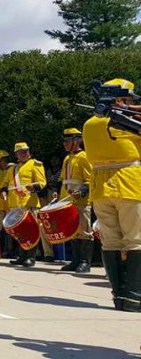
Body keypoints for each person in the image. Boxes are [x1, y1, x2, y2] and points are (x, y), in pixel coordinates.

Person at [82, 78, 141, 312]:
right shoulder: (126, 123)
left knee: (111, 242)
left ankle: (119, 296)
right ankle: (135, 297)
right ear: (119, 99)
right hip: (129, 184)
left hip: (100, 188)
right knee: (136, 240)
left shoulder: (89, 124)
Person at [52, 128, 94, 273]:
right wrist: (57, 193)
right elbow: (63, 179)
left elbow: (90, 179)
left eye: (67, 141)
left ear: (77, 141)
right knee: (72, 231)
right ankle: (75, 260)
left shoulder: (84, 156)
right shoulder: (67, 158)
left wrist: (83, 191)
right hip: (67, 201)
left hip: (81, 201)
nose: (65, 144)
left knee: (84, 231)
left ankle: (85, 262)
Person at [1, 142, 47, 268]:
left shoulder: (35, 164)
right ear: (16, 154)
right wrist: (4, 191)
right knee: (20, 232)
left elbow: (42, 182)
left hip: (29, 203)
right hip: (15, 204)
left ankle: (31, 257)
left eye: (26, 151)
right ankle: (22, 256)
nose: (24, 153)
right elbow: (5, 184)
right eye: (21, 151)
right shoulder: (12, 168)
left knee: (31, 231)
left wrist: (34, 187)